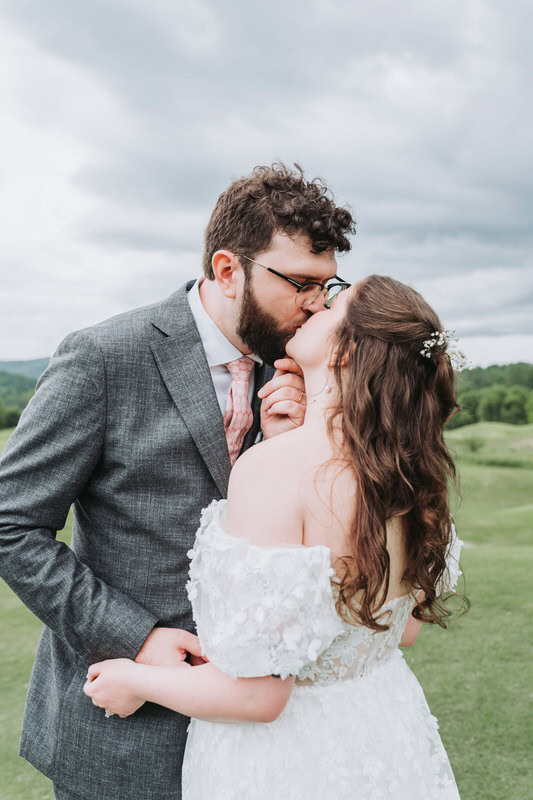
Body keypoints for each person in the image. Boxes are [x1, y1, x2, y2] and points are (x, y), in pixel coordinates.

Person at [0, 164, 356, 800]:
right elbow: (10, 523)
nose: (314, 304)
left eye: (327, 286)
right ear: (226, 269)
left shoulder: (300, 374)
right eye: (299, 282)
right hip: (123, 723)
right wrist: (133, 637)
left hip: (259, 735)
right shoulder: (105, 357)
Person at [84, 275, 467, 800]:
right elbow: (399, 631)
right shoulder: (406, 475)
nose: (314, 304)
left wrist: (133, 680)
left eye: (333, 303)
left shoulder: (274, 470)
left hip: (286, 762)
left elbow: (258, 698)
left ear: (346, 352)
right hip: (380, 730)